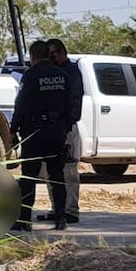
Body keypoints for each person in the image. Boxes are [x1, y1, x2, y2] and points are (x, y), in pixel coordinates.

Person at [10, 40, 71, 231]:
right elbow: (71, 105)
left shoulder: (30, 76)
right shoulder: (63, 75)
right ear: (48, 55)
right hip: (56, 131)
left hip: (35, 131)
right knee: (57, 176)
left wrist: (13, 130)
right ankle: (61, 218)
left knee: (29, 177)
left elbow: (21, 105)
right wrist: (64, 127)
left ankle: (24, 219)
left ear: (32, 56)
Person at [36, 38, 83, 225]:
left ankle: (71, 210)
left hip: (68, 128)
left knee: (69, 171)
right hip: (53, 128)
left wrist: (65, 122)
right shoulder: (52, 73)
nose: (51, 58)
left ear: (63, 53)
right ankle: (57, 209)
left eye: (54, 54)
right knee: (51, 171)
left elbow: (72, 101)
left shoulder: (72, 73)